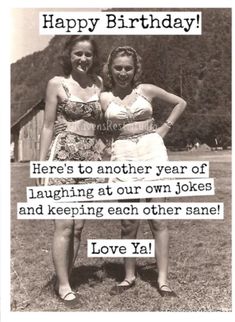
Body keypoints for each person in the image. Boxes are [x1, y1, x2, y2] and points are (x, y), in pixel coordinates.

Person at [100, 46, 187, 297]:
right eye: (118, 68)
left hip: (152, 151)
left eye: (128, 67)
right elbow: (95, 125)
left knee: (158, 218)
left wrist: (164, 129)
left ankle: (162, 280)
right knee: (128, 220)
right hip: (123, 155)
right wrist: (106, 145)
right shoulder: (104, 97)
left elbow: (180, 102)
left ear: (135, 69)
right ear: (110, 69)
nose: (123, 73)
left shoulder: (145, 90)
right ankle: (128, 277)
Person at [36, 35, 103, 306]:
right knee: (64, 223)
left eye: (88, 54)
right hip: (62, 157)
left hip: (90, 160)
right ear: (69, 55)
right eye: (78, 53)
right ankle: (63, 286)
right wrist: (40, 166)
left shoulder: (99, 83)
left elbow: (102, 122)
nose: (83, 59)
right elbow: (48, 126)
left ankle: (67, 277)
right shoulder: (57, 83)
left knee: (78, 227)